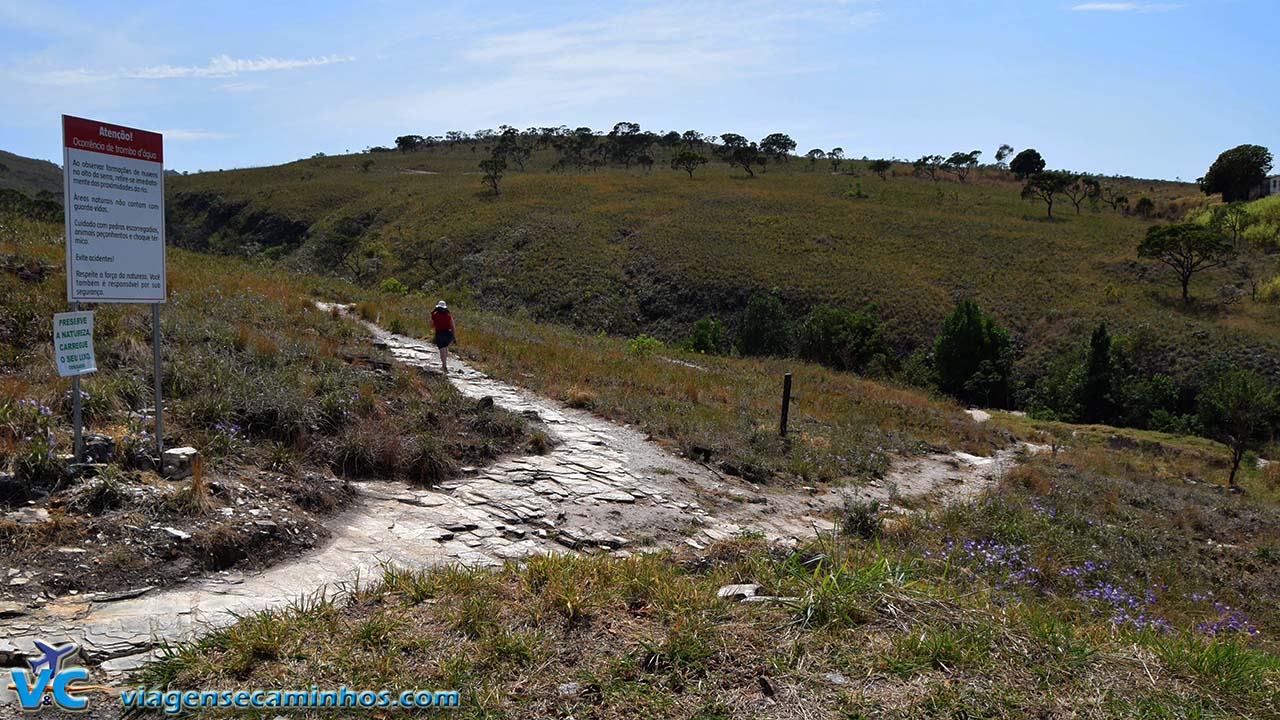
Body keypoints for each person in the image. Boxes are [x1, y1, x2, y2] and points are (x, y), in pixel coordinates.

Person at [430, 300, 455, 373]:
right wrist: (454, 336)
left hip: (440, 333)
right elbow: (452, 326)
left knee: (442, 350)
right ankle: (444, 363)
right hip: (448, 333)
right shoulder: (448, 315)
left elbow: (431, 325)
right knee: (445, 348)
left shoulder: (435, 315)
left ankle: (444, 365)